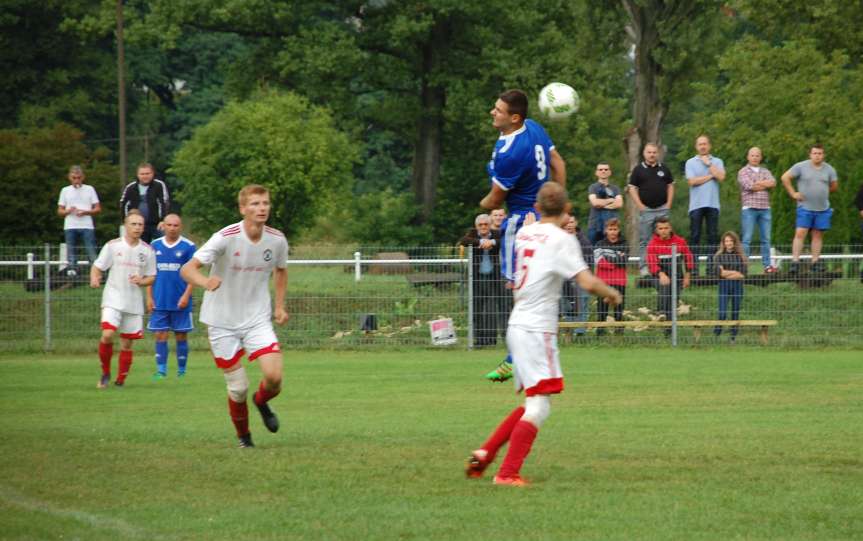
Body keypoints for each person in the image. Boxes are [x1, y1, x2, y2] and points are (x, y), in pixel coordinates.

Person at [465, 182, 621, 486]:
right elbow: (587, 283)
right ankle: (507, 474)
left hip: (517, 323)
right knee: (540, 406)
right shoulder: (562, 240)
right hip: (537, 328)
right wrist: (612, 294)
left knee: (532, 403)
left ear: (537, 206)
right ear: (566, 210)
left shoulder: (525, 233)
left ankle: (485, 453)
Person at [181, 185, 289, 449]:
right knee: (237, 388)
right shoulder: (225, 237)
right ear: (242, 209)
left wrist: (279, 306)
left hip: (256, 319)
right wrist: (206, 282)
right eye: (254, 204)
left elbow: (281, 271)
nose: (261, 208)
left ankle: (261, 401)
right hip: (221, 321)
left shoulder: (277, 240)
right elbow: (188, 269)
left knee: (274, 378)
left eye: (265, 203)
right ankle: (245, 438)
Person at [478, 89, 566, 382]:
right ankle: (522, 357)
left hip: (521, 223)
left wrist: (482, 205)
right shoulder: (535, 128)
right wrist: (559, 206)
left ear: (514, 118)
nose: (493, 112)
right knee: (535, 293)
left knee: (521, 294)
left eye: (498, 110)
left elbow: (495, 200)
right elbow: (559, 164)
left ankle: (519, 359)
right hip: (544, 217)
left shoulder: (510, 152)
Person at [90, 210, 156, 388]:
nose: (137, 227)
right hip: (113, 298)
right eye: (133, 224)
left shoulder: (147, 251)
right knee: (107, 334)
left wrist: (142, 281)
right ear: (125, 226)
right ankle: (105, 373)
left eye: (140, 225)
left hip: (133, 302)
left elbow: (151, 276)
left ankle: (120, 379)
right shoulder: (113, 246)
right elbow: (97, 266)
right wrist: (95, 278)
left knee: (126, 344)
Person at [146, 214, 196, 379]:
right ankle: (161, 371)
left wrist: (186, 296)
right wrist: (149, 297)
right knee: (160, 334)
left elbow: (193, 274)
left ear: (180, 227)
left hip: (180, 300)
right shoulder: (154, 246)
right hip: (160, 299)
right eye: (169, 225)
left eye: (176, 225)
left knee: (181, 334)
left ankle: (181, 371)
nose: (172, 228)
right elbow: (149, 273)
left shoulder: (188, 246)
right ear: (163, 226)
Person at [780, 144, 839, 274]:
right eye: (815, 153)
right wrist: (793, 193)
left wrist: (822, 192)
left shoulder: (830, 169)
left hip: (822, 208)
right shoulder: (800, 166)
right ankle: (795, 262)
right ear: (810, 154)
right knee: (800, 233)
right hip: (805, 207)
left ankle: (815, 262)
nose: (817, 156)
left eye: (820, 153)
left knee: (817, 235)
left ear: (823, 155)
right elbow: (785, 177)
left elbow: (834, 186)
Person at [628, 143, 675, 275]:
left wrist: (668, 205)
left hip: (662, 209)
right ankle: (644, 267)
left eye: (654, 152)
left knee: (665, 238)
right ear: (644, 153)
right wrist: (640, 206)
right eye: (649, 152)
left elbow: (670, 186)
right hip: (646, 210)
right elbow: (632, 188)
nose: (652, 154)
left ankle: (663, 266)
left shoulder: (664, 169)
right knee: (645, 240)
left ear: (658, 154)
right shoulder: (638, 170)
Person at [459, 214, 503, 347]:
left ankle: (491, 340)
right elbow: (464, 241)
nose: (483, 227)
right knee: (476, 308)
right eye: (481, 225)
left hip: (492, 277)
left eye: (486, 224)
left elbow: (505, 241)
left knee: (490, 309)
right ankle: (479, 340)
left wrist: (492, 242)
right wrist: (481, 242)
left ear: (490, 225)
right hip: (476, 277)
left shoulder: (496, 233)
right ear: (476, 226)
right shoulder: (472, 234)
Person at [685, 135, 725, 276]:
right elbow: (692, 182)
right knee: (695, 236)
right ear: (696, 146)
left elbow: (721, 177)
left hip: (713, 203)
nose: (703, 146)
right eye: (700, 144)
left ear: (709, 145)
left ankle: (711, 269)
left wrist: (709, 164)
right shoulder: (690, 162)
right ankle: (693, 269)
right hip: (696, 205)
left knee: (712, 237)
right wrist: (710, 176)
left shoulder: (717, 161)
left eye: (705, 144)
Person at [646, 217, 693, 334]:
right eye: (660, 228)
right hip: (658, 276)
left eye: (666, 228)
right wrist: (661, 274)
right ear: (656, 230)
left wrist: (687, 276)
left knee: (674, 301)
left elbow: (688, 258)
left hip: (677, 276)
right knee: (666, 291)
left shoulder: (680, 241)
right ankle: (662, 313)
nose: (663, 231)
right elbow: (652, 264)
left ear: (670, 228)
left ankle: (669, 330)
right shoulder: (652, 244)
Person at [737, 147, 777, 273]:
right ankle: (744, 266)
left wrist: (758, 184)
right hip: (749, 208)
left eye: (757, 155)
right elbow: (749, 186)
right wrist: (764, 184)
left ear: (760, 157)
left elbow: (773, 183)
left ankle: (767, 266)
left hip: (765, 208)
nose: (755, 157)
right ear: (748, 157)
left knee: (766, 239)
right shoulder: (743, 171)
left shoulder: (765, 170)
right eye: (752, 155)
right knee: (747, 239)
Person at [57, 165, 101, 269]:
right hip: (70, 226)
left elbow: (98, 208)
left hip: (87, 226)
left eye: (79, 178)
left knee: (91, 252)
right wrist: (68, 211)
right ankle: (73, 276)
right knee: (71, 254)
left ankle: (95, 276)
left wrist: (85, 212)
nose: (76, 180)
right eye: (74, 178)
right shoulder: (65, 190)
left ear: (83, 177)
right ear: (69, 177)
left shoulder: (90, 189)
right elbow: (60, 211)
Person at [120, 162, 172, 243]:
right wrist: (126, 221)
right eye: (142, 174)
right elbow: (124, 204)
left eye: (147, 173)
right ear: (138, 175)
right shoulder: (130, 187)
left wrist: (163, 220)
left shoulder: (159, 185)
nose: (145, 176)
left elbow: (164, 202)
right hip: (138, 225)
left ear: (152, 174)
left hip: (157, 224)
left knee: (164, 242)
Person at [593, 218, 628, 335]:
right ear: (605, 230)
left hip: (619, 282)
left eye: (615, 229)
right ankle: (600, 333)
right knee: (602, 309)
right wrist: (615, 262)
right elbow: (599, 262)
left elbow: (624, 261)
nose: (613, 232)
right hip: (603, 282)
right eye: (610, 229)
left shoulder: (624, 244)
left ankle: (619, 334)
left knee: (619, 309)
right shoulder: (599, 244)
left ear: (619, 230)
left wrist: (608, 258)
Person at [562, 215, 592, 336]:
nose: (569, 224)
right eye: (567, 222)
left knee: (582, 303)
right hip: (564, 278)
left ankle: (580, 332)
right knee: (567, 304)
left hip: (581, 277)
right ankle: (569, 330)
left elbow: (589, 262)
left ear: (576, 223)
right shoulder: (559, 240)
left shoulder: (584, 241)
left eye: (572, 222)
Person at [713, 231, 747, 341]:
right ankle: (716, 334)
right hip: (724, 286)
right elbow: (720, 273)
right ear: (723, 243)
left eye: (731, 241)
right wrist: (734, 273)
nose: (729, 243)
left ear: (734, 242)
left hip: (738, 286)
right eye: (726, 241)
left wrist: (727, 272)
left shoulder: (741, 257)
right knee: (722, 312)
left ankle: (733, 336)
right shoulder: (719, 256)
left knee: (735, 311)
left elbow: (742, 275)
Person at [587, 162, 623, 243]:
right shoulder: (593, 187)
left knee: (612, 251)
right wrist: (611, 200)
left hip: (612, 227)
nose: (603, 171)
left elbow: (619, 204)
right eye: (600, 169)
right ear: (596, 172)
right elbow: (595, 203)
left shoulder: (615, 188)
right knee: (592, 253)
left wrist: (602, 204)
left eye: (606, 169)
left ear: (610, 172)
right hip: (595, 225)